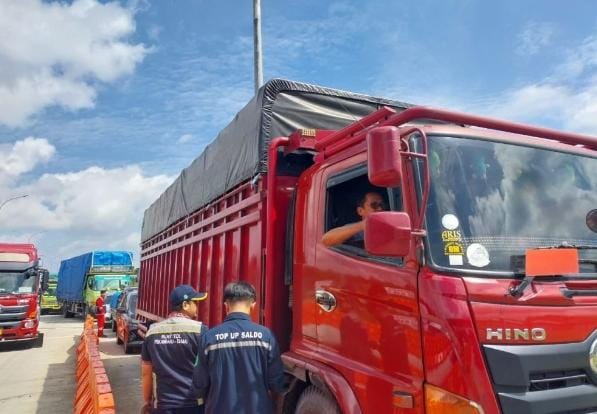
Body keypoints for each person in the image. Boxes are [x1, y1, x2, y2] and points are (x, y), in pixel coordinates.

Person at [193, 281, 284, 414]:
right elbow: (276, 382)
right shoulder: (266, 336)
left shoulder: (209, 338)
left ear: (226, 306)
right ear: (253, 305)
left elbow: (199, 383)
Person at [141, 284, 208, 414]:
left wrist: (147, 402)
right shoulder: (200, 330)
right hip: (194, 404)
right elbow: (208, 369)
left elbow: (146, 373)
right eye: (195, 303)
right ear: (185, 305)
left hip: (164, 404)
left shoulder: (152, 332)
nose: (197, 307)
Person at [321, 191, 385, 247]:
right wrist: (363, 225)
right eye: (374, 205)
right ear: (360, 211)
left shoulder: (389, 224)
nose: (380, 209)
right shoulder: (355, 229)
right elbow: (326, 240)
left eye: (382, 205)